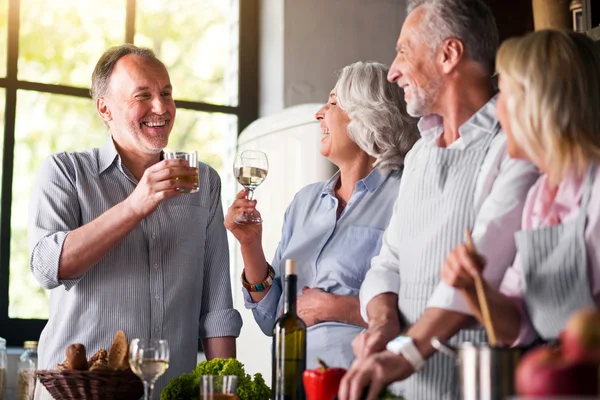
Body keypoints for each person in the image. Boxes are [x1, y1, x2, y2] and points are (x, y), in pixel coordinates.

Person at [338, 1, 540, 399]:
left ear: (448, 55)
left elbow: (483, 265)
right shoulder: (418, 155)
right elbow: (387, 262)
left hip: (479, 386)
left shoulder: (513, 145)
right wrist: (381, 324)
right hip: (403, 386)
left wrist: (406, 354)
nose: (393, 71)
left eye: (403, 52)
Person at [29, 44, 242, 399]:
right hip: (79, 394)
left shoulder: (203, 182)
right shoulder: (66, 173)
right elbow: (48, 266)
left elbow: (217, 308)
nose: (161, 108)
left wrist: (225, 390)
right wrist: (135, 205)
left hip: (169, 392)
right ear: (105, 108)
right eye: (143, 95)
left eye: (166, 93)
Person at [225, 61, 420, 370]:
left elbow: (422, 310)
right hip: (290, 380)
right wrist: (250, 244)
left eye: (332, 103)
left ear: (366, 116)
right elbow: (271, 318)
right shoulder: (304, 202)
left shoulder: (405, 195)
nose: (319, 113)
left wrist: (336, 307)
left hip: (361, 381)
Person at [441, 30, 600, 347]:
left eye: (503, 95)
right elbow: (519, 326)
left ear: (540, 103)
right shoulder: (539, 198)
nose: (497, 111)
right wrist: (473, 288)